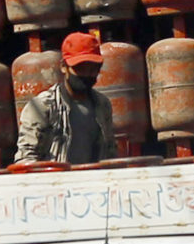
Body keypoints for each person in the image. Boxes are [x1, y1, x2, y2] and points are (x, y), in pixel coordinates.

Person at [15, 30, 117, 165]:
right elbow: (26, 158)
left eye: (92, 70)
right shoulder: (44, 106)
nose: (87, 75)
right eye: (80, 69)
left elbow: (110, 151)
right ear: (64, 67)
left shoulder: (102, 104)